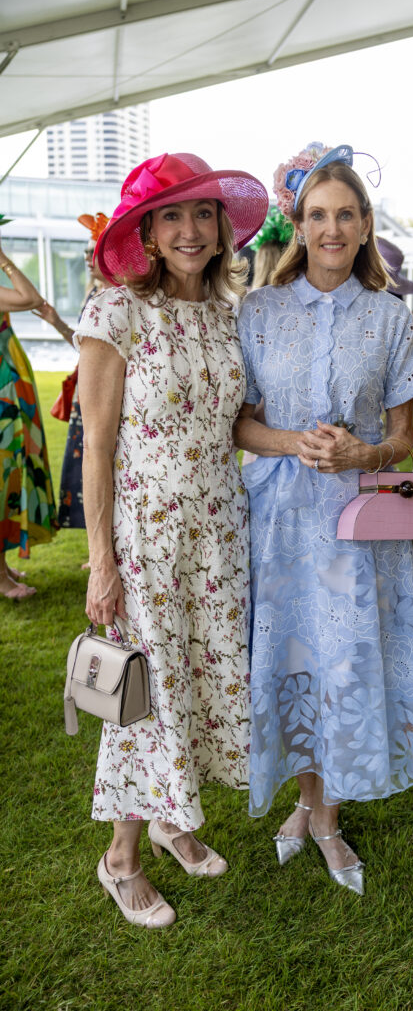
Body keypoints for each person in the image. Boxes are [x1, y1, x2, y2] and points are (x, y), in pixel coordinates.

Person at [74, 152, 268, 927]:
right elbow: (98, 444)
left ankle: (173, 820)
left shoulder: (230, 315)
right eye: (171, 217)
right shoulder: (114, 312)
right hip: (148, 539)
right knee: (143, 698)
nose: (190, 231)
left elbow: (237, 425)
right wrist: (100, 561)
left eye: (202, 215)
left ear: (221, 228)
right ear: (147, 234)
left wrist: (298, 441)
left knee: (202, 681)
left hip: (220, 535)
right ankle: (120, 857)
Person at [235, 143, 413, 896]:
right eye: (317, 214)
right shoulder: (257, 312)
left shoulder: (389, 320)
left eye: (345, 214)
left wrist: (361, 451)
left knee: (345, 658)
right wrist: (292, 443)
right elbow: (240, 426)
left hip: (357, 527)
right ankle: (299, 800)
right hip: (279, 522)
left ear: (363, 225)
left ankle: (326, 814)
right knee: (292, 655)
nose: (331, 228)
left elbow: (401, 441)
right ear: (297, 224)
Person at [37, 213, 110, 537]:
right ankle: (98, 546)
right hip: (86, 394)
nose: (86, 258)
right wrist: (55, 322)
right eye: (85, 252)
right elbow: (85, 349)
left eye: (93, 251)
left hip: (102, 394)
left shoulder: (118, 297)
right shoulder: (92, 296)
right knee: (85, 468)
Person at [0, 224, 58, 600]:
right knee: (2, 479)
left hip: (8, 396)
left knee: (9, 477)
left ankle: (1, 569)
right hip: (2, 400)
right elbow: (30, 296)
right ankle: (1, 582)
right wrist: (3, 260)